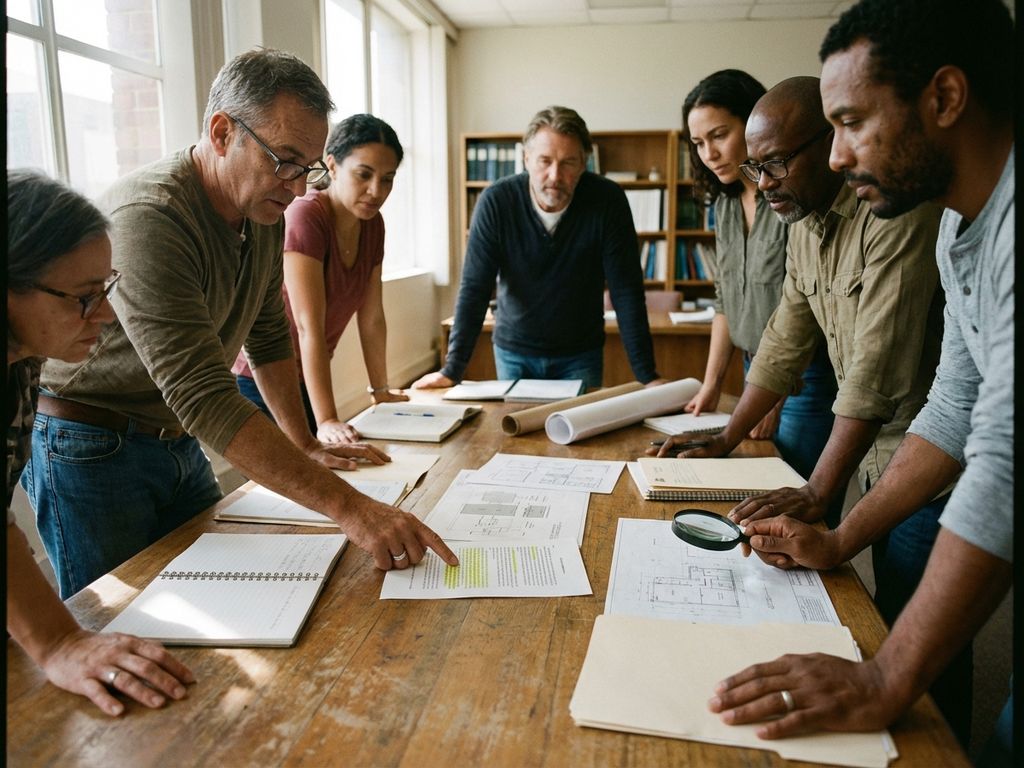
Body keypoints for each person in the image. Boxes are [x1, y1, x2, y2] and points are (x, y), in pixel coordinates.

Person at [23, 48, 457, 601]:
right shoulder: (151, 217)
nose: (299, 187)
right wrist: (352, 508)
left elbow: (271, 334)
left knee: (213, 597)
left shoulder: (264, 209)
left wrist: (303, 441)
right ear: (222, 131)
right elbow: (203, 393)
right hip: (89, 444)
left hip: (175, 438)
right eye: (285, 160)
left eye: (309, 167)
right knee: (119, 622)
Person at [707, 0, 1013, 758]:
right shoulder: (957, 225)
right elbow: (954, 410)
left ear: (943, 98)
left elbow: (1003, 461)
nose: (839, 158)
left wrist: (886, 679)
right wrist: (840, 535)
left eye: (851, 122)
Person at [651, 75, 972, 736]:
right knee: (885, 613)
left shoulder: (896, 214)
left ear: (827, 143)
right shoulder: (801, 222)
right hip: (884, 441)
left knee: (926, 635)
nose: (762, 181)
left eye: (773, 163)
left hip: (928, 453)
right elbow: (784, 337)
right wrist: (726, 437)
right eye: (754, 167)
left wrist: (820, 496)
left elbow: (876, 369)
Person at [7, 169, 194, 716]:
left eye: (105, 290)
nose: (106, 315)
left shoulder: (24, 359)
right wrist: (60, 644)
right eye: (84, 298)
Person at [681, 69, 840, 526]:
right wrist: (712, 384)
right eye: (697, 143)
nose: (709, 153)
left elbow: (805, 310)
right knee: (756, 495)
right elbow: (724, 301)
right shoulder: (725, 204)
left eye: (719, 135)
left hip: (803, 380)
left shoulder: (796, 196)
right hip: (758, 367)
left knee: (798, 502)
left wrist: (775, 401)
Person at [412, 106, 663, 392]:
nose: (554, 175)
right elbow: (475, 288)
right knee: (517, 434)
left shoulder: (607, 201)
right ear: (526, 158)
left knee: (577, 434)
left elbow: (626, 291)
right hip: (514, 350)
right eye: (545, 161)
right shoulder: (496, 202)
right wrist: (452, 370)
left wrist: (647, 375)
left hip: (580, 353)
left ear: (584, 163)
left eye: (568, 163)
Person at [233, 113, 409, 444]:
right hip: (258, 379)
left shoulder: (373, 223)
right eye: (363, 175)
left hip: (302, 376)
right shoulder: (305, 215)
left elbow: (371, 318)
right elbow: (306, 326)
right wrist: (326, 418)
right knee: (294, 481)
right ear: (331, 165)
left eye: (387, 178)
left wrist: (380, 391)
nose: (376, 191)